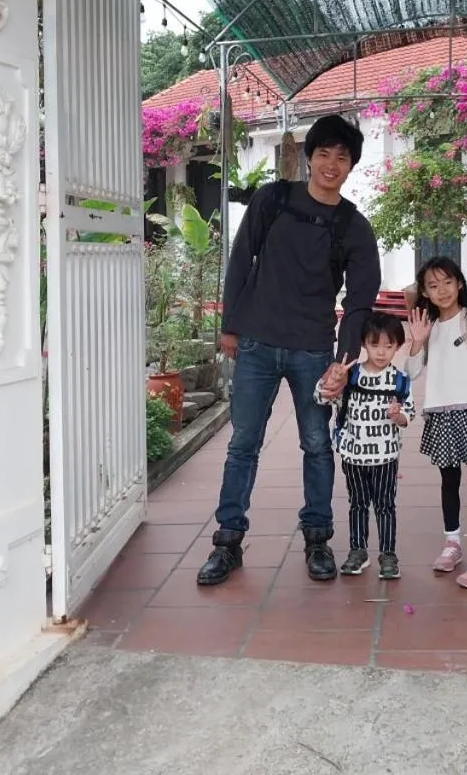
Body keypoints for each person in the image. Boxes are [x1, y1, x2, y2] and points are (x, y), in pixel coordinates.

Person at [197, 115, 381, 586]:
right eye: (324, 154)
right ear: (309, 156)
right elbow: (241, 259)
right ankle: (227, 540)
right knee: (243, 444)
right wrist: (230, 326)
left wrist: (344, 360)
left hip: (312, 352)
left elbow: (361, 298)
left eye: (342, 157)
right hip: (256, 342)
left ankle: (317, 538)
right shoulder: (272, 199)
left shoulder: (353, 226)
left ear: (351, 165)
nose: (331, 164)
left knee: (317, 446)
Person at [404, 257, 467, 590]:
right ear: (426, 293)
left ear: (459, 283)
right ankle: (452, 543)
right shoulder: (428, 325)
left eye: (447, 282)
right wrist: (416, 341)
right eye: (432, 286)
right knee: (448, 482)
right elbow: (412, 372)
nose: (441, 290)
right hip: (441, 413)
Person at [317, 312, 415, 580]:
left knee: (385, 505)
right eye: (375, 345)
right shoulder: (350, 374)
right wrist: (330, 381)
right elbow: (322, 397)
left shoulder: (399, 379)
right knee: (357, 504)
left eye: (389, 346)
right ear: (363, 344)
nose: (382, 352)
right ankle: (357, 551)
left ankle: (388, 554)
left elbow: (409, 413)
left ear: (397, 346)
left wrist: (398, 416)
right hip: (353, 455)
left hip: (386, 455)